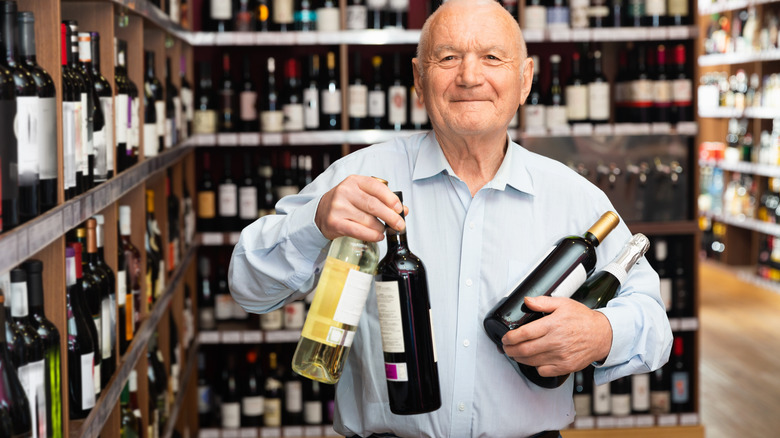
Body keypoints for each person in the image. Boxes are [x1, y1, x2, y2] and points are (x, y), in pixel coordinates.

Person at [229, 0, 673, 436]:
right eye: (448, 58)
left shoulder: (575, 198)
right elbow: (248, 288)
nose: (469, 76)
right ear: (419, 81)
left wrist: (602, 333)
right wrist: (314, 225)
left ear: (525, 80)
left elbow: (655, 324)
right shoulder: (356, 180)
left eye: (492, 58)